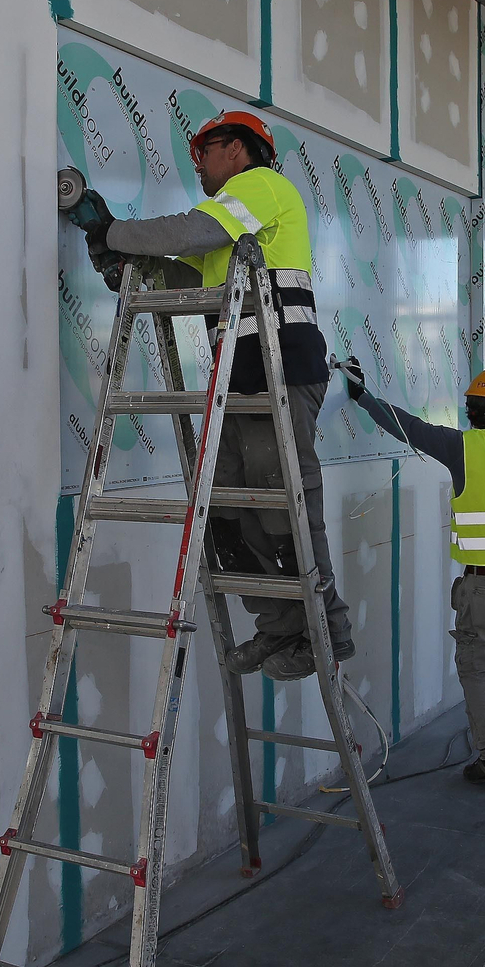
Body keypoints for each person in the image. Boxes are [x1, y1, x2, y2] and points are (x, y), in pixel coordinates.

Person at [78, 109, 351, 679]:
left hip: (283, 368)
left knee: (286, 501)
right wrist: (132, 264)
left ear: (237, 149)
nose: (198, 163)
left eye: (205, 151)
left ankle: (326, 629)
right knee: (228, 506)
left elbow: (191, 231)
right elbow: (190, 276)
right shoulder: (234, 227)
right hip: (243, 376)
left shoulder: (262, 188)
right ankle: (278, 624)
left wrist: (114, 232)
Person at [340, 360, 485, 784]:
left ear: (471, 412)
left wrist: (361, 395)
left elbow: (407, 427)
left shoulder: (460, 447)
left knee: (476, 671)